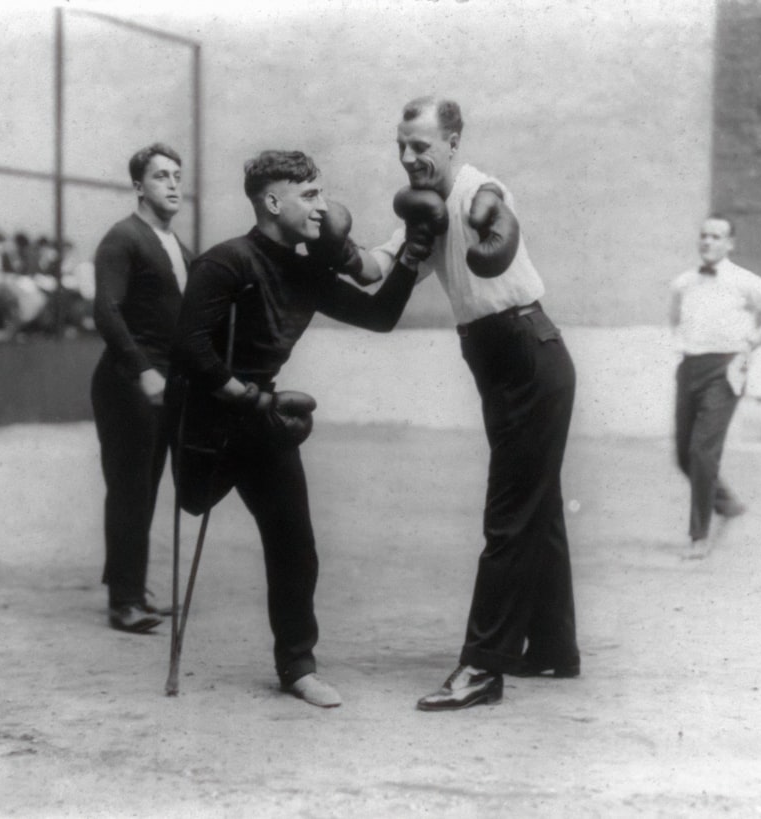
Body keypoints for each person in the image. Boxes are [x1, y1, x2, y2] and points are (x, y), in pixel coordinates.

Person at [168, 149, 424, 708]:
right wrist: (250, 397)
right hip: (212, 416)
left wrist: (410, 259)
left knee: (295, 546)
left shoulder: (307, 270)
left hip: (262, 421)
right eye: (309, 195)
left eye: (320, 194)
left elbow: (379, 317)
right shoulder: (225, 263)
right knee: (193, 502)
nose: (321, 207)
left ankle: (297, 668)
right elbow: (189, 348)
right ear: (272, 200)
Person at [367, 96, 580, 711]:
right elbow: (376, 265)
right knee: (536, 506)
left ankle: (483, 668)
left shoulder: (479, 189)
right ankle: (552, 649)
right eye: (401, 146)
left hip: (527, 353)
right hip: (500, 360)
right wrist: (329, 250)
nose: (409, 158)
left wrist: (493, 229)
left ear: (453, 143)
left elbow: (497, 221)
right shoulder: (425, 212)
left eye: (422, 146)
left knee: (509, 514)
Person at [91, 142, 192, 633]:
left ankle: (133, 588)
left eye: (177, 175)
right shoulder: (122, 238)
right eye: (160, 176)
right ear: (138, 187)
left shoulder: (177, 244)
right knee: (131, 489)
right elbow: (106, 311)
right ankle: (124, 601)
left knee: (148, 487)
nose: (173, 184)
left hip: (166, 382)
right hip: (128, 381)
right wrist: (143, 370)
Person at [669, 215, 761, 557]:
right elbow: (676, 321)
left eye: (717, 236)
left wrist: (751, 342)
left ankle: (699, 536)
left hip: (725, 371)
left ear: (730, 244)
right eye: (704, 235)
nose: (708, 242)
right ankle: (728, 505)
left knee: (702, 451)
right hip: (690, 368)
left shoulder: (744, 281)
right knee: (683, 454)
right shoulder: (683, 282)